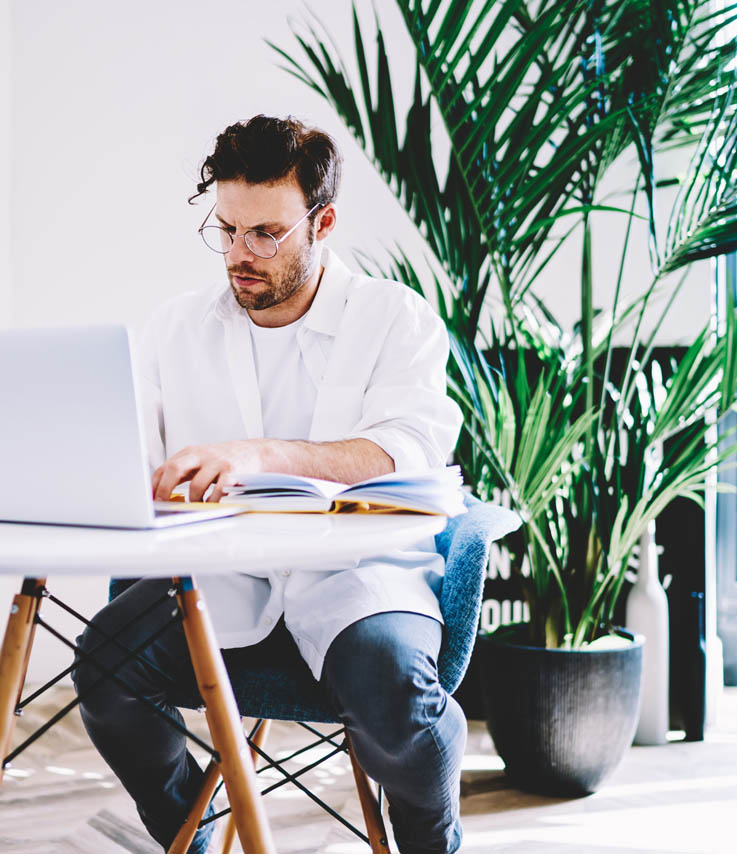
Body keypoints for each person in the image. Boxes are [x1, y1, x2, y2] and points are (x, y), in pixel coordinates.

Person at [72, 115, 466, 854]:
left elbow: (409, 448)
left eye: (265, 234)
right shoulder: (174, 329)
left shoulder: (394, 319)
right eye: (226, 231)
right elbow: (130, 458)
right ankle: (195, 832)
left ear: (324, 222)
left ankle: (429, 839)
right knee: (103, 668)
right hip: (218, 578)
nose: (239, 255)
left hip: (359, 576)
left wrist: (257, 456)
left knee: (401, 708)